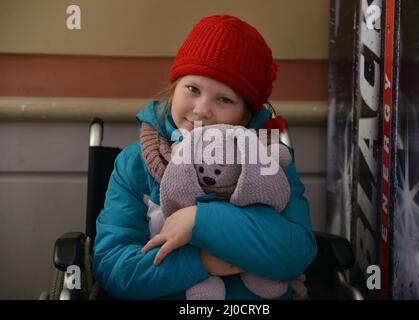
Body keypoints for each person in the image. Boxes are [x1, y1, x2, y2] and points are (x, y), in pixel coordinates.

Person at [92, 14, 317, 300]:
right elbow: (113, 268)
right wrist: (201, 262)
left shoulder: (270, 160)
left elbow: (294, 254)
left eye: (224, 99)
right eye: (193, 89)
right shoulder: (135, 164)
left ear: (245, 115)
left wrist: (201, 220)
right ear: (174, 90)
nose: (201, 110)